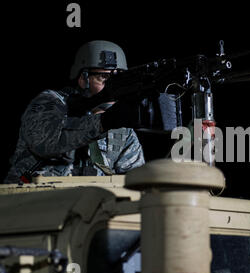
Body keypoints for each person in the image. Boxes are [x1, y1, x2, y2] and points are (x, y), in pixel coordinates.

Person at [4, 40, 145, 184]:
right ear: (83, 78)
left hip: (87, 203)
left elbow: (136, 179)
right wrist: (104, 122)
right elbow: (46, 143)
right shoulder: (49, 103)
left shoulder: (121, 128)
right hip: (28, 199)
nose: (113, 89)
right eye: (103, 77)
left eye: (119, 80)